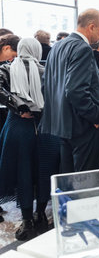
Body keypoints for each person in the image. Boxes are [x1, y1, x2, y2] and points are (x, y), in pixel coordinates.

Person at [39, 9, 99, 173]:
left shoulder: (57, 47)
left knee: (69, 180)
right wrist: (96, 117)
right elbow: (75, 90)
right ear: (92, 27)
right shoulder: (82, 48)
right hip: (83, 126)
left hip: (62, 124)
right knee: (85, 181)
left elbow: (46, 85)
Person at [0, 38, 47, 240]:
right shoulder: (46, 70)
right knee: (45, 170)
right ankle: (42, 215)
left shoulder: (8, 69)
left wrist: (19, 107)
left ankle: (27, 221)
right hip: (45, 128)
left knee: (23, 172)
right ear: (37, 51)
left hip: (18, 128)